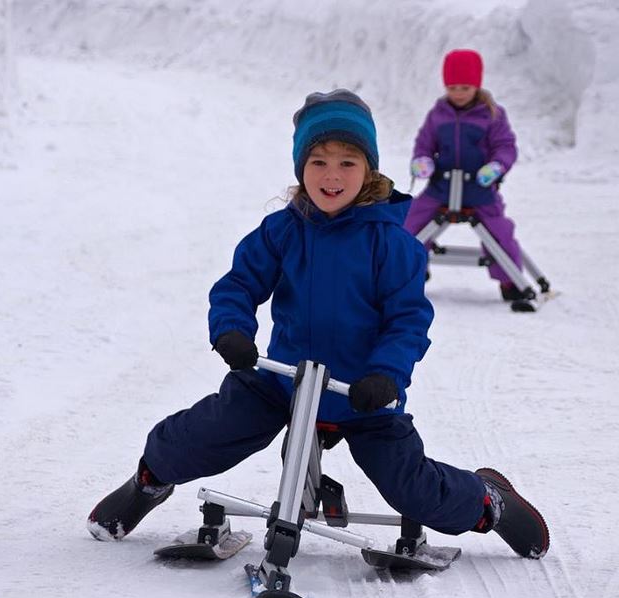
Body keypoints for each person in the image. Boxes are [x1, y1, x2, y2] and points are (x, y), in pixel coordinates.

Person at [87, 89, 549, 559]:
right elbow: (238, 284)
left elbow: (407, 319)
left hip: (362, 391)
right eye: (319, 161)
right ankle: (148, 483)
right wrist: (232, 329)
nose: (332, 175)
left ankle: (488, 502)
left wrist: (386, 374)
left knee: (412, 487)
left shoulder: (391, 242)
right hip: (284, 380)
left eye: (348, 162)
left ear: (368, 169)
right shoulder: (282, 230)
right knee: (202, 434)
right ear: (300, 169)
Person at [404, 49, 526, 301]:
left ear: (476, 85)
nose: (458, 94)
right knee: (410, 223)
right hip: (442, 187)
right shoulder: (438, 114)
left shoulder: (491, 114)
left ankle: (510, 281)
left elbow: (505, 146)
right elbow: (424, 143)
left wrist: (496, 167)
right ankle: (410, 274)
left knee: (500, 231)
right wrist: (422, 161)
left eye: (465, 88)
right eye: (453, 88)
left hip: (479, 188)